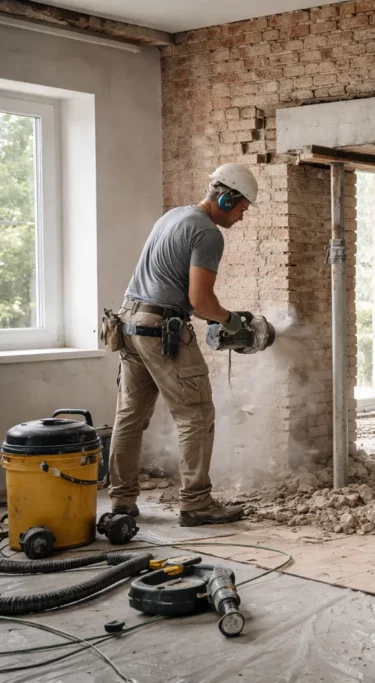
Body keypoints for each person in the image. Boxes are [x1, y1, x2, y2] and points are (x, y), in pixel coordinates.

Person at [108, 163, 260, 527]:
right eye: (241, 208)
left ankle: (122, 502)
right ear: (226, 197)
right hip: (161, 328)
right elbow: (201, 301)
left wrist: (217, 315)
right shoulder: (208, 234)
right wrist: (230, 320)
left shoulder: (173, 216)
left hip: (128, 322)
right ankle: (196, 504)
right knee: (196, 414)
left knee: (130, 416)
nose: (241, 217)